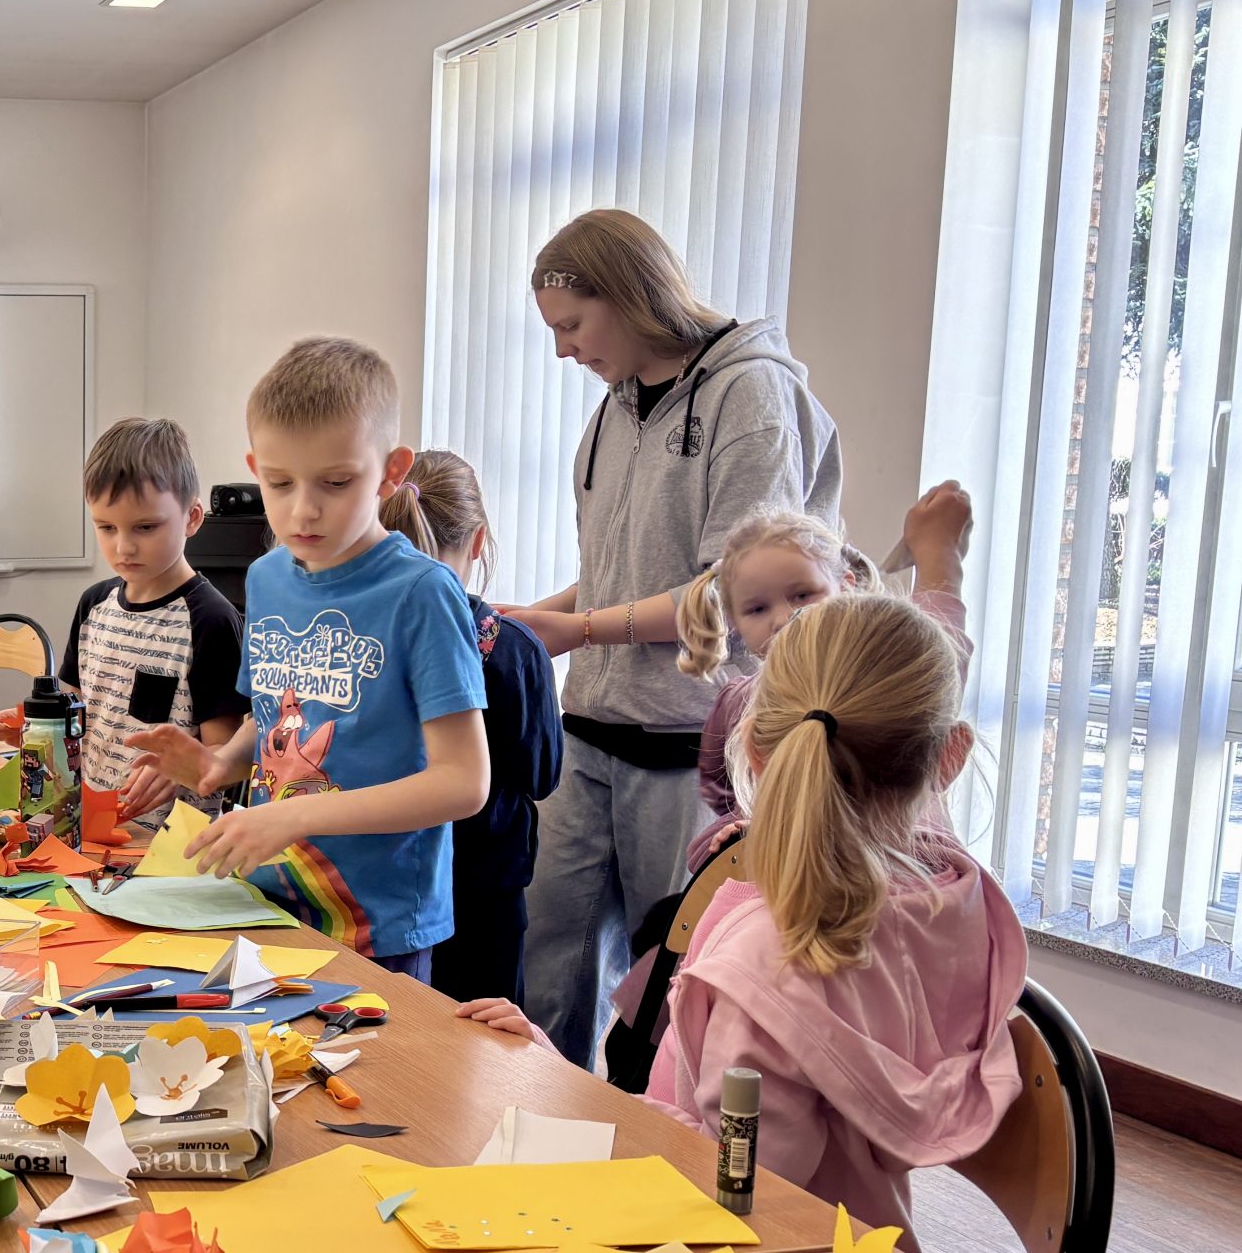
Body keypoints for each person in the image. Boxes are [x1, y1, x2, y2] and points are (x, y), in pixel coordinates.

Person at [461, 590, 1025, 1240]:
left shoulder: (766, 961)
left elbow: (733, 1193)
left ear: (752, 748)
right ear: (950, 758)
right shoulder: (958, 906)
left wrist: (559, 1090)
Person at [502, 208, 844, 1069]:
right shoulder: (614, 409)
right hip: (591, 734)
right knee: (544, 959)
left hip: (690, 743)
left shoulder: (751, 396)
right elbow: (617, 576)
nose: (563, 352)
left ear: (628, 296)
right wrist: (533, 624)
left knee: (670, 988)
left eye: (572, 326)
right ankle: (537, 1124)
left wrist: (579, 629)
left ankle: (654, 1139)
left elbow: (737, 590)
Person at [128, 337, 490, 972]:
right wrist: (220, 764)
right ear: (255, 468)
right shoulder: (267, 577)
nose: (304, 510)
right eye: (279, 483)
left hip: (376, 919)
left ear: (392, 471)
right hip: (271, 895)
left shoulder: (422, 594)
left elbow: (464, 782)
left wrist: (296, 815)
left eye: (337, 482)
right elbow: (272, 712)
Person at [678, 481, 971, 873]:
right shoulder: (736, 703)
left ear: (846, 586)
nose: (784, 618)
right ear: (734, 621)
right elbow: (722, 795)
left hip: (903, 870)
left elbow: (938, 657)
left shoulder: (881, 671)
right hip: (793, 877)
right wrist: (742, 830)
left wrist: (940, 555)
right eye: (758, 608)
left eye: (802, 595)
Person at [390, 450, 561, 1004]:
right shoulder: (513, 649)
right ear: (478, 541)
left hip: (393, 882)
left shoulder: (364, 643)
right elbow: (543, 776)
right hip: (486, 886)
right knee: (485, 1035)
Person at [60, 417, 248, 824]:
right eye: (106, 527)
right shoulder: (93, 604)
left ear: (192, 518)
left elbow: (227, 754)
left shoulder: (210, 620)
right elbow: (71, 712)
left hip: (173, 843)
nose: (123, 546)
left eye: (145, 527)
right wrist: (35, 726)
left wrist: (182, 768)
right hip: (93, 827)